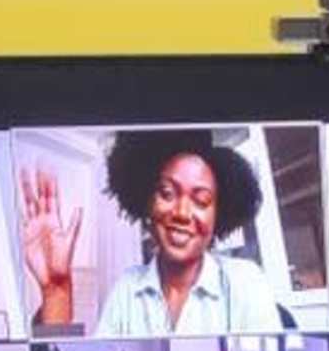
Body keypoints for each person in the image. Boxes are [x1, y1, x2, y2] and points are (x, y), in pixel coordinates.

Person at [25, 131, 297, 336]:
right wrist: (56, 290)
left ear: (218, 215)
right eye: (167, 193)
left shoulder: (245, 282)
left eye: (200, 200)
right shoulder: (127, 290)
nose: (181, 212)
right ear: (147, 203)